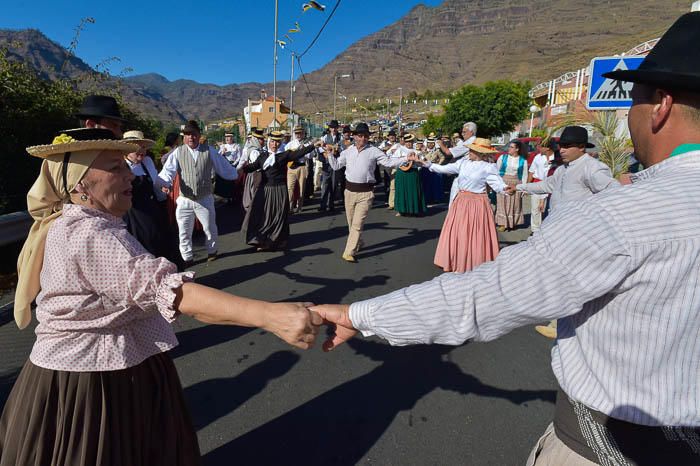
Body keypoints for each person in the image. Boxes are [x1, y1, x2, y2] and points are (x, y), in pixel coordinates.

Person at [314, 12, 700, 466]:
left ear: (661, 105)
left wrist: (359, 314)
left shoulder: (626, 213)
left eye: (632, 100)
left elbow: (487, 296)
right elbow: (462, 175)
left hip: (608, 449)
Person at [1, 128, 321, 465]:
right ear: (80, 184)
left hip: (102, 368)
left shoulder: (79, 223)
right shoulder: (89, 234)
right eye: (114, 168)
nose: (129, 175)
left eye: (126, 166)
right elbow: (170, 291)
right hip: (89, 382)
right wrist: (270, 316)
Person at [512, 127, 619, 339]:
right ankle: (560, 320)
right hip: (558, 231)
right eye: (561, 145)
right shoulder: (563, 169)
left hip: (578, 234)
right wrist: (519, 187)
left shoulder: (592, 168)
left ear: (582, 147)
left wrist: (594, 220)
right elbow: (546, 185)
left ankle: (561, 324)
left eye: (568, 146)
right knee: (561, 276)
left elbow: (614, 193)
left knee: (571, 279)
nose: (562, 150)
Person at [410, 138, 507, 272]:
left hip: (477, 203)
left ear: (481, 153)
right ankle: (456, 259)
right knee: (459, 232)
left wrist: (508, 189)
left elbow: (498, 185)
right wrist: (425, 164)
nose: (470, 152)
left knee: (474, 233)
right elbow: (443, 169)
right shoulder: (463, 163)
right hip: (461, 201)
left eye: (473, 150)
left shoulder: (488, 167)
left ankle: (474, 262)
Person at [322, 122, 407, 262]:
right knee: (351, 223)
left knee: (357, 224)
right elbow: (336, 166)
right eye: (360, 136)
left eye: (365, 136)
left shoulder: (374, 151)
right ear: (355, 137)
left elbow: (389, 162)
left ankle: (349, 252)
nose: (362, 139)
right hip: (349, 192)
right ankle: (358, 243)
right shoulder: (347, 151)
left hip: (365, 194)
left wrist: (406, 159)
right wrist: (330, 155)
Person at [158, 120, 237, 264]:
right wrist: (164, 183)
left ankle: (212, 250)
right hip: (185, 199)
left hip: (204, 197)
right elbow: (167, 171)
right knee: (184, 230)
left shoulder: (209, 151)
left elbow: (223, 166)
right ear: (183, 137)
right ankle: (187, 257)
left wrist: (234, 174)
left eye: (193, 134)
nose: (190, 137)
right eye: (187, 135)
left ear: (199, 135)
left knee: (209, 227)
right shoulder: (178, 152)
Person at [241, 131, 322, 251]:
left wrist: (313, 146)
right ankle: (263, 238)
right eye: (273, 141)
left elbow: (299, 153)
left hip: (279, 190)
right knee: (265, 216)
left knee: (279, 216)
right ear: (269, 142)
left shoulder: (284, 155)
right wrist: (238, 169)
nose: (275, 144)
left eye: (277, 142)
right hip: (266, 190)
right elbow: (251, 167)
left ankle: (277, 240)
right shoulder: (262, 156)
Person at [122, 130, 183, 270]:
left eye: (143, 147)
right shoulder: (120, 166)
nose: (141, 150)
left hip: (153, 210)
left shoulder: (147, 162)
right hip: (134, 216)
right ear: (126, 150)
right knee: (145, 251)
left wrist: (163, 192)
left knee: (166, 247)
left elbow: (156, 184)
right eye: (136, 147)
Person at [436, 122, 477, 205]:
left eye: (464, 132)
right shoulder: (475, 141)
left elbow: (448, 152)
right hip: (470, 175)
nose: (462, 134)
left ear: (471, 132)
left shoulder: (469, 142)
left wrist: (440, 144)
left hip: (462, 175)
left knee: (455, 200)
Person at [495, 140, 528, 231]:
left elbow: (525, 174)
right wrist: (497, 184)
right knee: (502, 203)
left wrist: (523, 188)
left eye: (511, 147)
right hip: (504, 181)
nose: (509, 149)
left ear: (517, 149)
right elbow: (496, 172)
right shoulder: (503, 157)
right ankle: (502, 223)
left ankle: (512, 222)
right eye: (509, 146)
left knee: (515, 203)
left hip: (516, 182)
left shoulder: (522, 160)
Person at [393, 134, 427, 217]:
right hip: (402, 172)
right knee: (401, 191)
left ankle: (414, 210)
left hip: (413, 173)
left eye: (410, 142)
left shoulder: (416, 151)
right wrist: (404, 161)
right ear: (404, 142)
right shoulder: (399, 150)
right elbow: (394, 160)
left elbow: (421, 163)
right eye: (407, 142)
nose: (409, 144)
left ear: (413, 142)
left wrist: (417, 162)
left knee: (413, 191)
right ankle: (401, 210)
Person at [527, 141, 555, 233]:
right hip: (537, 184)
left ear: (547, 148)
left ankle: (547, 229)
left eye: (541, 146)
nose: (538, 148)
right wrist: (527, 186)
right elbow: (531, 172)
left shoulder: (556, 158)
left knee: (547, 209)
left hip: (551, 186)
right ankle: (535, 230)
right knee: (535, 209)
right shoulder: (538, 157)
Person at [238, 128, 266, 214]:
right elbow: (257, 166)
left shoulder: (260, 150)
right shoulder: (254, 151)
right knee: (255, 194)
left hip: (259, 174)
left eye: (263, 139)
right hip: (256, 175)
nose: (263, 141)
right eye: (261, 139)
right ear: (256, 140)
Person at [285, 126, 312, 213]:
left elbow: (311, 156)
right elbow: (286, 155)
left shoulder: (307, 144)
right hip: (291, 167)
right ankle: (289, 207)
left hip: (302, 166)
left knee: (301, 187)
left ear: (303, 133)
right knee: (290, 188)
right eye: (296, 133)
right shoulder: (290, 144)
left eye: (300, 133)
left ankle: (299, 206)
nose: (298, 135)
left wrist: (304, 150)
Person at [318, 120, 342, 212]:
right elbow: (320, 147)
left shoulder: (340, 137)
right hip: (327, 163)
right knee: (325, 184)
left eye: (335, 127)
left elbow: (341, 148)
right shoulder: (325, 137)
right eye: (332, 127)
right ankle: (323, 205)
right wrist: (325, 151)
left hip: (335, 163)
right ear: (330, 128)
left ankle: (331, 204)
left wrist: (334, 147)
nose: (334, 129)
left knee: (333, 184)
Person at [214, 132, 242, 203]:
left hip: (232, 165)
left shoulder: (237, 146)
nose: (227, 138)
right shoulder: (223, 146)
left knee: (231, 182)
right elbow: (218, 156)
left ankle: (232, 196)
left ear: (232, 138)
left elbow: (239, 157)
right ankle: (224, 196)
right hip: (225, 165)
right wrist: (222, 152)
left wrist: (234, 164)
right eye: (226, 137)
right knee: (225, 181)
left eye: (229, 137)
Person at [420, 133, 445, 205]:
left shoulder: (437, 150)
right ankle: (427, 198)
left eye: (432, 143)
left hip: (434, 167)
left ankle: (436, 198)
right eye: (429, 143)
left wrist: (438, 164)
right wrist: (423, 153)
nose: (430, 145)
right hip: (426, 168)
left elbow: (442, 157)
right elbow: (421, 158)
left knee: (436, 183)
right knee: (427, 184)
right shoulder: (424, 151)